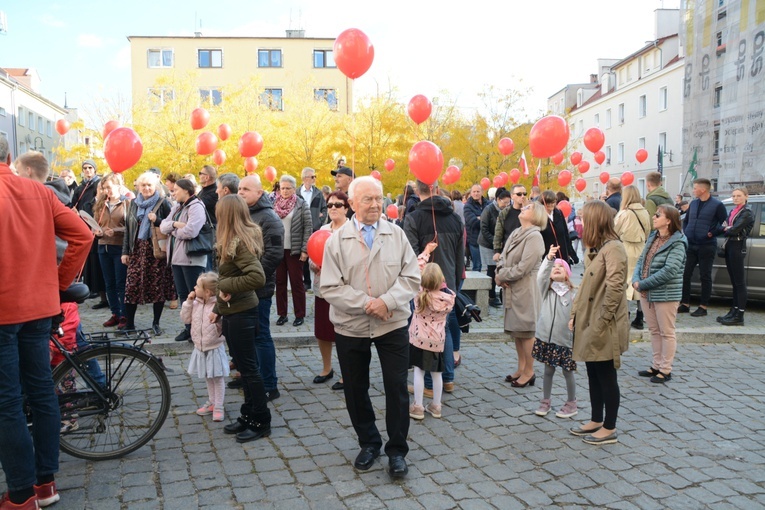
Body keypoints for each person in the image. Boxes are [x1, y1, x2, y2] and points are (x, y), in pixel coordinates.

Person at [0, 135, 92, 509]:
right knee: (40, 392)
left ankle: (20, 494)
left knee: (7, 401)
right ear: (8, 155)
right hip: (38, 308)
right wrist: (55, 284)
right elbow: (82, 235)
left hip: (5, 311)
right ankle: (44, 484)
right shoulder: (38, 191)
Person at [319, 176, 420, 479]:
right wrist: (365, 303)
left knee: (396, 388)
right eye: (368, 199)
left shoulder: (396, 234)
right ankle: (369, 443)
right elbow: (329, 287)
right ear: (351, 204)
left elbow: (412, 277)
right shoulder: (336, 240)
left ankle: (397, 451)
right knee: (355, 388)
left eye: (378, 198)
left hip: (392, 323)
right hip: (351, 326)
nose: (376, 204)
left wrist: (387, 301)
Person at [212, 195, 271, 443]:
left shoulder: (239, 243)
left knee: (249, 370)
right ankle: (248, 415)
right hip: (233, 312)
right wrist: (218, 306)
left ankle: (261, 421)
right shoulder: (234, 239)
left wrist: (223, 284)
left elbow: (257, 277)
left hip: (242, 314)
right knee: (245, 370)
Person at [569, 200, 629, 445]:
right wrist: (575, 314)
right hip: (590, 318)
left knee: (606, 374)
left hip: (604, 321)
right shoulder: (598, 248)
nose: (582, 224)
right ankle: (596, 419)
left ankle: (610, 426)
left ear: (596, 221)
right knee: (592, 370)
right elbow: (584, 285)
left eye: (585, 219)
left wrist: (602, 321)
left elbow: (615, 287)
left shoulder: (614, 248)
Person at [404, 179, 464, 395]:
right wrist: (455, 284)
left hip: (423, 283)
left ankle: (429, 384)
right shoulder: (455, 218)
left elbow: (410, 256)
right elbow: (460, 257)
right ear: (437, 190)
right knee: (443, 329)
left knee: (423, 329)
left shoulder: (413, 218)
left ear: (415, 191)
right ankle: (447, 379)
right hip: (448, 282)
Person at [237, 175, 284, 400]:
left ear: (259, 192)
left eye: (246, 189)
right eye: (239, 188)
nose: (241, 192)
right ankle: (251, 378)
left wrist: (252, 278)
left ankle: (268, 384)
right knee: (246, 337)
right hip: (240, 287)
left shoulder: (269, 217)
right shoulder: (242, 214)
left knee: (261, 335)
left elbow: (274, 254)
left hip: (259, 288)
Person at [632, 205, 687, 383]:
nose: (654, 217)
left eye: (658, 215)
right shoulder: (653, 236)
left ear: (669, 220)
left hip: (666, 295)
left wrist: (643, 283)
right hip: (647, 292)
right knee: (654, 331)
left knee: (667, 332)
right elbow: (642, 259)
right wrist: (635, 278)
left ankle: (665, 369)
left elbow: (670, 270)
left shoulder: (678, 241)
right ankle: (656, 365)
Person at [496, 202, 547, 388]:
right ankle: (521, 367)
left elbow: (524, 267)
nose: (523, 208)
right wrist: (499, 273)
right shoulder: (517, 232)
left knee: (526, 331)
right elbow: (502, 257)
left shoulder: (535, 237)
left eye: (528, 208)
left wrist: (502, 275)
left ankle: (529, 371)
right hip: (511, 288)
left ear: (536, 216)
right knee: (518, 331)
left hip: (526, 289)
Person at [121, 171, 177, 335]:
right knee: (131, 286)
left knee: (156, 287)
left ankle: (156, 323)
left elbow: (171, 225)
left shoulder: (163, 203)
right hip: (137, 250)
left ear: (156, 187)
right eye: (143, 185)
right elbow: (128, 229)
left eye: (149, 185)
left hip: (155, 251)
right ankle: (130, 324)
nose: (146, 188)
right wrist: (125, 251)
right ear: (138, 187)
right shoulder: (133, 204)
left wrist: (157, 220)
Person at [308, 191, 349, 391]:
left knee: (343, 332)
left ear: (347, 208)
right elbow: (312, 252)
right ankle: (327, 368)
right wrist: (313, 264)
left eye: (338, 204)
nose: (333, 207)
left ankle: (347, 373)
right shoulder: (323, 229)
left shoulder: (352, 230)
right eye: (330, 204)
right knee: (322, 331)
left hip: (343, 289)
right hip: (322, 288)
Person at [160, 178, 209, 341]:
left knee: (196, 295)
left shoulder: (197, 207)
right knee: (183, 296)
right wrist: (175, 224)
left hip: (191, 259)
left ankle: (200, 329)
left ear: (186, 191)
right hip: (176, 258)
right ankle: (188, 328)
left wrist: (173, 229)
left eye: (176, 190)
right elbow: (162, 226)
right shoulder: (176, 207)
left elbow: (191, 232)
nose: (173, 193)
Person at [532, 246, 577, 418]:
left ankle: (571, 403)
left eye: (561, 267)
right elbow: (540, 276)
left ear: (567, 274)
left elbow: (578, 313)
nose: (556, 268)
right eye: (554, 267)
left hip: (565, 340)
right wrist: (549, 259)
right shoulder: (547, 291)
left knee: (567, 372)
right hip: (546, 339)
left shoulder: (573, 293)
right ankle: (545, 401)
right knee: (548, 371)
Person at [408, 262, 455, 421]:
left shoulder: (418, 294)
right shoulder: (448, 298)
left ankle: (418, 406)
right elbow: (445, 288)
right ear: (441, 280)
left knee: (418, 372)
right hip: (438, 341)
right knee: (437, 374)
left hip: (419, 340)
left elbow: (416, 266)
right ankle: (436, 405)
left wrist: (425, 255)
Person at [182, 272, 229, 422]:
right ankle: (212, 401)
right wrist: (188, 302)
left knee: (217, 377)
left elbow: (223, 325)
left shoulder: (217, 305)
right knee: (208, 376)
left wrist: (218, 323)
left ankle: (219, 405)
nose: (194, 288)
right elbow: (185, 318)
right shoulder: (195, 304)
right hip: (200, 347)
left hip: (214, 347)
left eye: (197, 286)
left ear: (207, 292)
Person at [678, 178, 727, 317]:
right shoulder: (693, 203)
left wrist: (712, 233)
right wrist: (686, 232)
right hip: (691, 244)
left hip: (706, 245)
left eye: (695, 188)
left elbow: (725, 223)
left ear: (703, 189)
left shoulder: (717, 205)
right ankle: (685, 304)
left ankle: (703, 306)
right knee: (685, 273)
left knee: (705, 275)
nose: (693, 190)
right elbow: (686, 221)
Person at [274, 175, 312, 327]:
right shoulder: (274, 204)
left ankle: (299, 314)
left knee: (297, 284)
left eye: (288, 188)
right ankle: (282, 314)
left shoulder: (301, 204)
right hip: (278, 250)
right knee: (280, 283)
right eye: (282, 188)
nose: (284, 191)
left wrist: (305, 250)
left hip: (295, 250)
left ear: (294, 189)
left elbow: (308, 228)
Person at [93, 173, 130, 330]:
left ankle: (124, 314)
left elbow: (130, 227)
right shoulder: (101, 204)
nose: (107, 190)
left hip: (119, 246)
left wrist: (115, 231)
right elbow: (95, 224)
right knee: (109, 283)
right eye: (104, 188)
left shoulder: (126, 203)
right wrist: (98, 231)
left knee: (120, 282)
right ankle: (115, 312)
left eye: (109, 187)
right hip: (103, 246)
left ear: (117, 186)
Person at [614, 185, 651, 329]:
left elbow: (615, 230)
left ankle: (626, 314)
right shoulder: (645, 212)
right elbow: (648, 231)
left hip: (626, 248)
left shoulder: (624, 213)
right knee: (639, 281)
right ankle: (640, 315)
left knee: (625, 281)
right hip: (641, 248)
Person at [72, 159, 107, 307]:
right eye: (84, 168)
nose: (87, 170)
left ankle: (109, 297)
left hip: (104, 236)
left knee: (104, 267)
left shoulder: (97, 186)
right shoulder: (81, 188)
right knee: (93, 266)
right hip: (87, 229)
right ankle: (100, 295)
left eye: (90, 168)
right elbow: (76, 204)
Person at [719, 188, 754, 326]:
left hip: (738, 246)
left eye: (739, 196)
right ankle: (733, 311)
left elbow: (733, 229)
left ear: (746, 196)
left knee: (739, 283)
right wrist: (727, 229)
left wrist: (727, 229)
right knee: (734, 282)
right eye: (733, 196)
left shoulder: (747, 212)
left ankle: (739, 315)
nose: (735, 198)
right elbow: (724, 226)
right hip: (730, 246)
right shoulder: (734, 211)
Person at [480, 189, 512, 307]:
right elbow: (484, 228)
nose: (506, 205)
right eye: (504, 202)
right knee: (492, 269)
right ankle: (491, 295)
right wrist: (495, 243)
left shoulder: (509, 210)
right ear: (498, 200)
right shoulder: (489, 210)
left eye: (508, 203)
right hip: (487, 243)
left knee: (504, 268)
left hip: (503, 244)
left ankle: (503, 294)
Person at [299, 167, 327, 291]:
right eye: (312, 176)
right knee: (303, 254)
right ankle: (306, 281)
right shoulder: (297, 193)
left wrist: (319, 221)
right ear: (305, 178)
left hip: (314, 228)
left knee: (314, 254)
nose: (314, 179)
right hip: (300, 227)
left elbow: (324, 209)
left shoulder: (318, 193)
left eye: (315, 176)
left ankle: (317, 280)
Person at [540, 190, 578, 266]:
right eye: (548, 203)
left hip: (562, 254)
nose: (551, 205)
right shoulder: (539, 216)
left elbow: (565, 235)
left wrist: (571, 253)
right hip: (547, 255)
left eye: (553, 202)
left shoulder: (559, 213)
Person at [493, 184, 526, 261]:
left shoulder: (530, 212)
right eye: (519, 194)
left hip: (525, 250)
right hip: (509, 251)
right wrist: (497, 251)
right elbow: (498, 233)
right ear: (512, 196)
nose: (522, 196)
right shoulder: (505, 213)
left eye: (524, 194)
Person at [463, 185, 484, 271]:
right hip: (474, 239)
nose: (476, 194)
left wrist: (479, 217)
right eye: (474, 192)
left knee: (489, 266)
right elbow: (473, 222)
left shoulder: (488, 204)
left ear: (482, 192)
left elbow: (493, 220)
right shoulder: (467, 206)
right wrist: (484, 219)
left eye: (478, 191)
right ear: (471, 193)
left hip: (487, 239)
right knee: (477, 265)